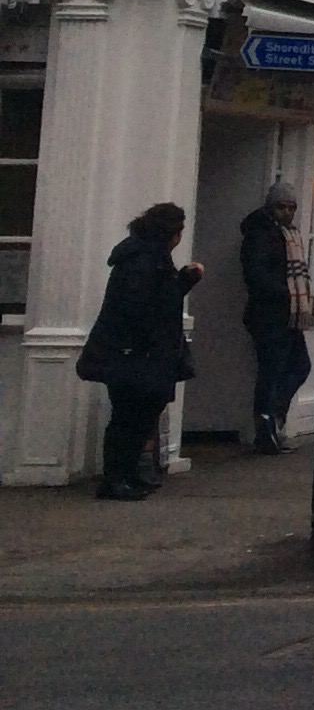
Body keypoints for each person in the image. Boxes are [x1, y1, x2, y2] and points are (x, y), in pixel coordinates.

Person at [76, 203, 201, 501]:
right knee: (130, 418)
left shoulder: (143, 257)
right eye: (178, 232)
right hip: (135, 353)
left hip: (134, 351)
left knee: (136, 416)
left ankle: (126, 475)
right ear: (170, 234)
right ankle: (116, 479)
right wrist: (183, 282)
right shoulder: (144, 262)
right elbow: (147, 307)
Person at [239, 179, 313, 454]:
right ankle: (266, 429)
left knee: (298, 366)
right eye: (282, 207)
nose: (287, 212)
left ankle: (273, 419)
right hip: (269, 314)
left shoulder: (288, 235)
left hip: (288, 314)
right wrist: (287, 292)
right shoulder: (261, 235)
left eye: (292, 207)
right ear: (271, 207)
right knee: (273, 372)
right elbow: (256, 276)